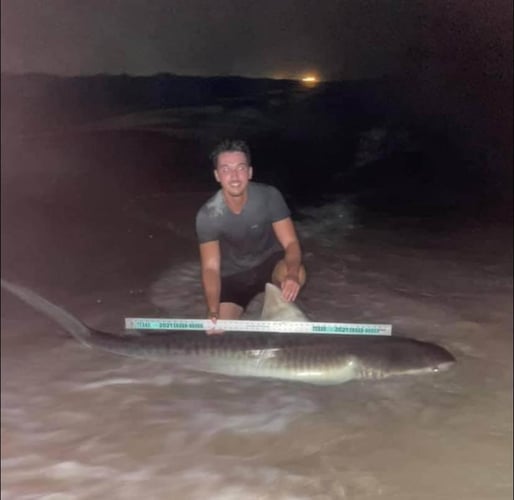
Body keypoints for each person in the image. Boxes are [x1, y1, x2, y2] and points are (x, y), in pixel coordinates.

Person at [195, 139, 306, 333]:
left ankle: (281, 307)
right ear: (217, 175)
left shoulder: (269, 197)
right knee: (217, 333)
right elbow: (211, 268)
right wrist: (213, 310)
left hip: (269, 264)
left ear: (250, 172)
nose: (234, 176)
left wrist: (292, 274)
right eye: (226, 169)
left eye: (240, 168)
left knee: (298, 272)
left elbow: (290, 243)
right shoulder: (207, 215)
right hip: (233, 276)